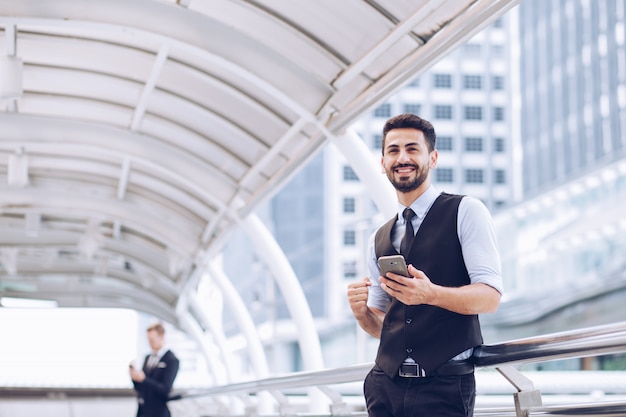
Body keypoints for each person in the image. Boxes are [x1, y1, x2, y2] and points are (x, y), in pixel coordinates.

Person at [347, 113, 503, 417]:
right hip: (385, 388)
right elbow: (381, 327)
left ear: (432, 158)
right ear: (383, 163)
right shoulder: (379, 237)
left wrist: (430, 294)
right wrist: (362, 313)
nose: (402, 157)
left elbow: (490, 297)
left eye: (412, 148)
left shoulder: (465, 211)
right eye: (393, 150)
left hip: (443, 387)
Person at [129, 322, 180, 417]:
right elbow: (141, 388)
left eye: (152, 340)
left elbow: (165, 389)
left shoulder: (171, 360)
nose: (150, 343)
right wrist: (135, 377)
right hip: (143, 412)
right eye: (148, 340)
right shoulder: (148, 357)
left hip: (158, 413)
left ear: (162, 336)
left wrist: (144, 379)